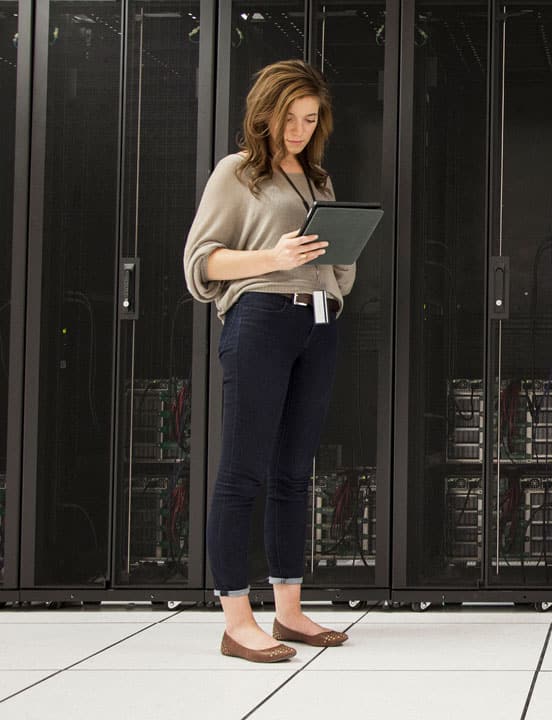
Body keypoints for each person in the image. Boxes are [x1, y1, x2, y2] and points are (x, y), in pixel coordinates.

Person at [184, 59, 355, 663]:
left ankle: (287, 614)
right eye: (290, 117)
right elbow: (201, 263)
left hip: (318, 323)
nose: (300, 130)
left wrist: (338, 266)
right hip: (260, 319)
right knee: (242, 474)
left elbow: (335, 267)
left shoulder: (320, 181)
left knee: (293, 474)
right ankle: (236, 620)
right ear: (266, 113)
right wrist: (273, 256)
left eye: (311, 119)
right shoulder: (238, 174)